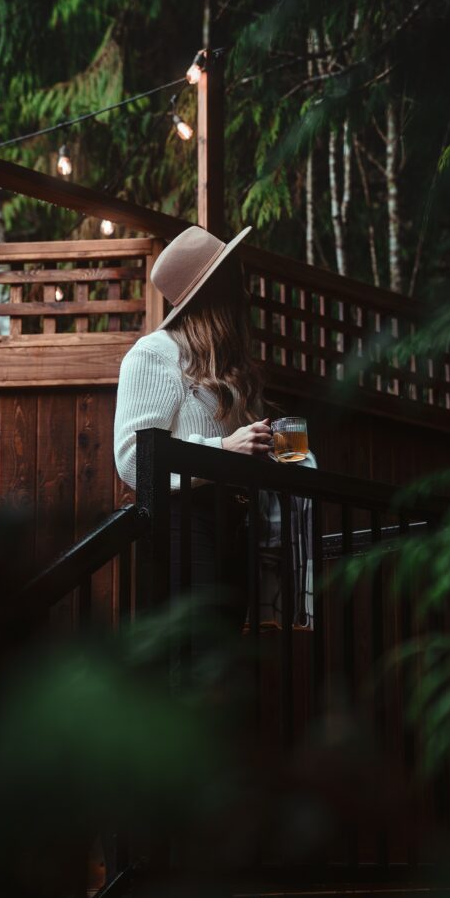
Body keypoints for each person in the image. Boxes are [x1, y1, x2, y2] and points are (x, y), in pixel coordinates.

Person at [113, 224, 271, 618]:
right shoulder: (153, 354)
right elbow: (133, 459)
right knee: (195, 662)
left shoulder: (228, 367)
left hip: (237, 524)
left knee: (227, 663)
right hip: (185, 525)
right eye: (233, 281)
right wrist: (223, 450)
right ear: (214, 294)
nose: (245, 293)